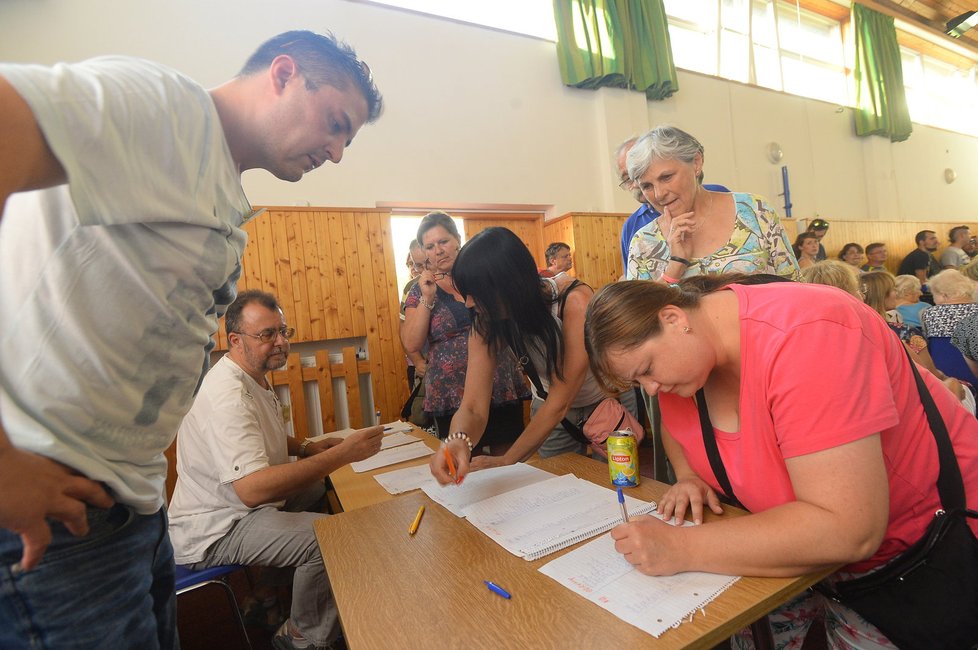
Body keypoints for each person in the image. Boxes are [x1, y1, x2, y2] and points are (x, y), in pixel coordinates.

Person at [0, 30, 382, 649]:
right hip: (55, 501)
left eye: (348, 139)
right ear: (283, 74)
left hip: (131, 500)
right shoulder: (168, 109)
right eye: (335, 123)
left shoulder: (221, 185)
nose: (337, 152)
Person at [583, 275, 978, 648]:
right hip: (803, 560)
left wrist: (680, 547)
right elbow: (675, 426)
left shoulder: (807, 334)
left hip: (916, 555)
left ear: (673, 318)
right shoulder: (689, 360)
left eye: (647, 371)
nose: (651, 390)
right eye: (638, 383)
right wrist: (687, 475)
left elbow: (849, 529)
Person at [167, 291, 383, 650]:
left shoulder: (250, 374)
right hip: (217, 528)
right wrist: (342, 454)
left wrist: (306, 448)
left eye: (283, 331)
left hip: (238, 508)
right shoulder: (227, 395)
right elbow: (252, 490)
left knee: (320, 490)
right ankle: (301, 636)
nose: (281, 342)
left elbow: (263, 436)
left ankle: (267, 593)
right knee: (328, 538)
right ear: (235, 340)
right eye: (267, 334)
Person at [430, 227, 639, 483]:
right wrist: (457, 440)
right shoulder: (486, 321)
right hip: (550, 410)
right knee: (558, 488)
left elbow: (561, 400)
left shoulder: (574, 301)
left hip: (603, 404)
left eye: (476, 294)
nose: (469, 304)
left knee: (619, 485)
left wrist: (508, 460)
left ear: (508, 286)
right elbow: (473, 406)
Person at [401, 212, 529, 451]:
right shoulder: (419, 290)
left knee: (509, 460)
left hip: (500, 382)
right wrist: (428, 298)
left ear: (458, 239)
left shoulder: (482, 276)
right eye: (430, 246)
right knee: (464, 463)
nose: (438, 250)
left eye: (443, 241)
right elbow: (411, 343)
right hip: (451, 392)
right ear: (424, 252)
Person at [624, 126, 800, 283]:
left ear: (696, 163)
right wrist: (675, 266)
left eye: (667, 177)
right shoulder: (643, 244)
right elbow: (638, 319)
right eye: (647, 186)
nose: (659, 194)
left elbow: (796, 290)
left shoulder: (755, 211)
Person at [614, 135, 729, 270]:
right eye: (628, 178)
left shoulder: (727, 200)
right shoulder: (635, 229)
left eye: (666, 177)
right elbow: (634, 285)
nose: (659, 193)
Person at [920, 269, 978, 339]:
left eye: (933, 295)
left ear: (943, 295)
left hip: (940, 349)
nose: (934, 300)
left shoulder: (929, 313)